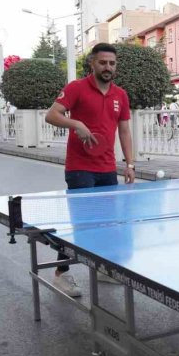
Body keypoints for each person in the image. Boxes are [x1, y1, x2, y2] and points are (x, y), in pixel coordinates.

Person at [44, 42, 135, 297]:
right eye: (103, 62)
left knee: (106, 223)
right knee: (82, 224)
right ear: (92, 63)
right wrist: (76, 124)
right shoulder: (77, 88)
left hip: (107, 167)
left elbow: (125, 130)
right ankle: (61, 273)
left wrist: (129, 164)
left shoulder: (121, 95)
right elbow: (51, 115)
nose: (108, 67)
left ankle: (103, 269)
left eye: (112, 63)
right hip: (80, 167)